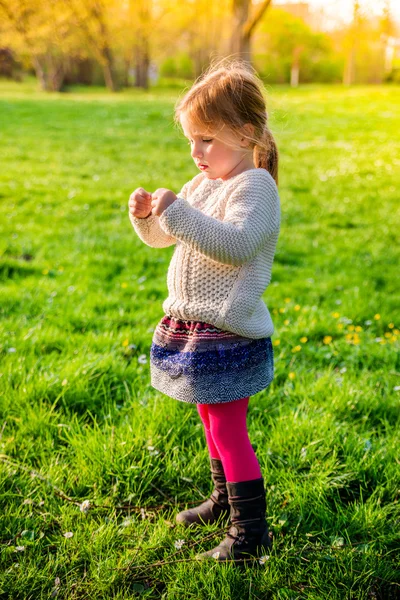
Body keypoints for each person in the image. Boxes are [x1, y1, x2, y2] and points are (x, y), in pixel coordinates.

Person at [128, 57, 280, 563]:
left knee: (228, 428)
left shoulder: (256, 187)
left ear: (244, 134)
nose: (195, 152)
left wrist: (177, 211)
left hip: (229, 332)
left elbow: (233, 245)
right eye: (191, 140)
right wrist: (149, 217)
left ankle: (250, 531)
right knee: (209, 419)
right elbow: (163, 236)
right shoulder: (203, 184)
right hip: (195, 330)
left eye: (206, 140)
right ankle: (222, 498)